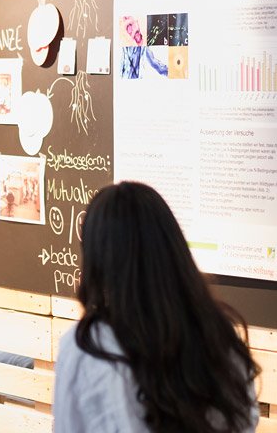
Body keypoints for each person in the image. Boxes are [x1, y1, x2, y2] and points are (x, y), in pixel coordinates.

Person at [53, 182, 261, 433]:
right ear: (173, 247)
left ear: (97, 261)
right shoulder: (218, 335)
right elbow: (245, 421)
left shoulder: (87, 347)